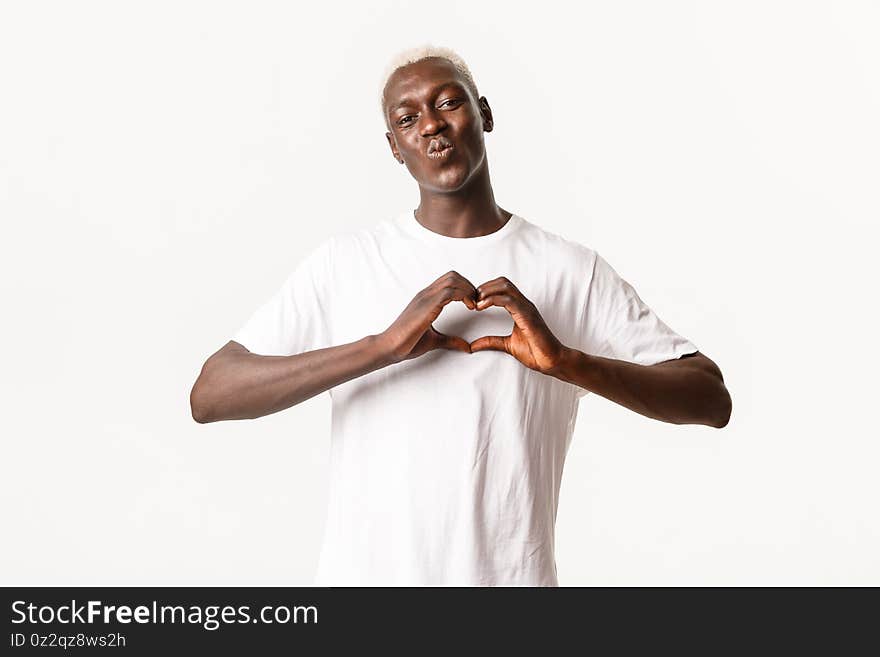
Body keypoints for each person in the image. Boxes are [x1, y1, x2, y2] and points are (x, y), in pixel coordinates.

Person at [190, 44, 732, 586]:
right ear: (395, 148)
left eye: (448, 103)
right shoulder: (347, 263)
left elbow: (709, 396)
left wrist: (568, 362)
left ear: (484, 114)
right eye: (407, 119)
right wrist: (383, 347)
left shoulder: (569, 269)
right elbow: (211, 393)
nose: (431, 126)